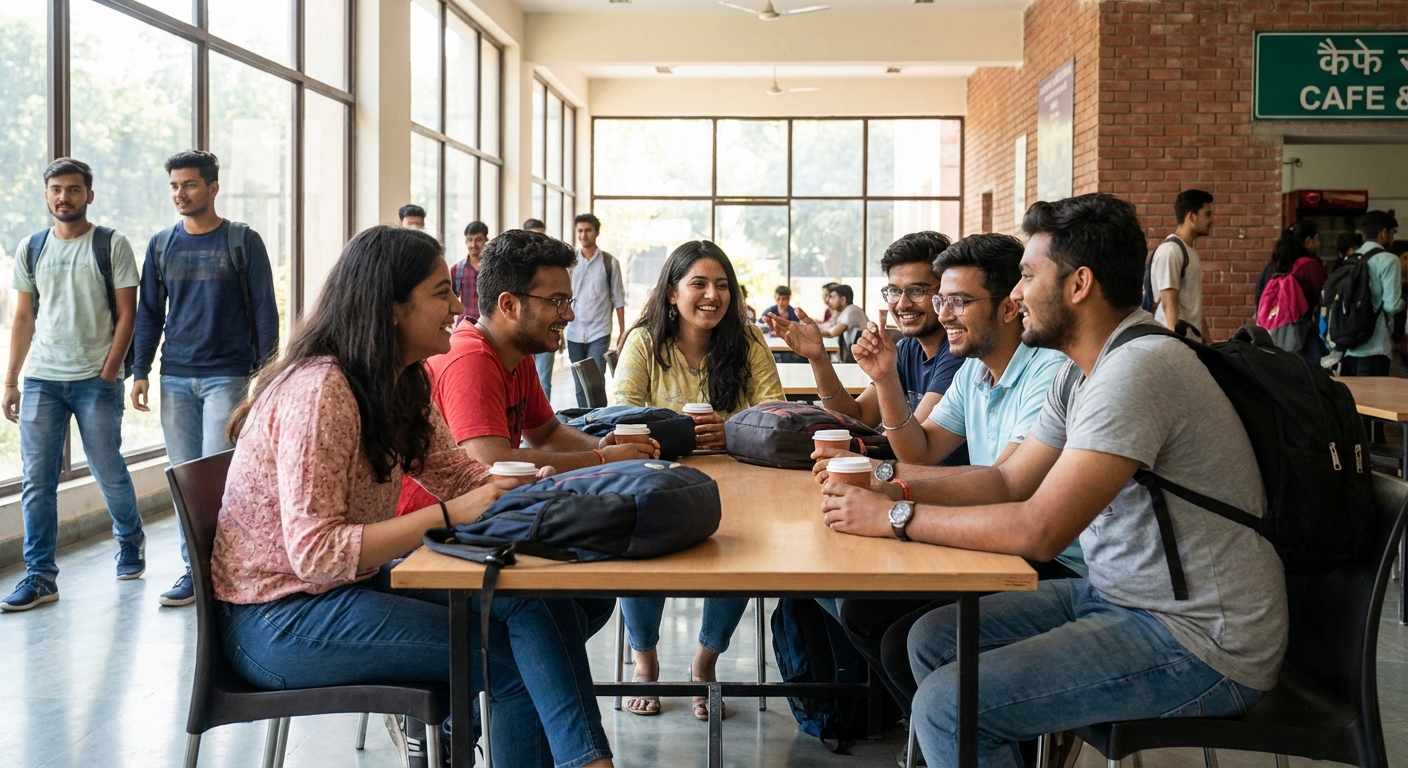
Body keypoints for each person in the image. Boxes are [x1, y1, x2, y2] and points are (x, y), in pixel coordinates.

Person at [820, 194, 1287, 767]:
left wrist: (894, 517)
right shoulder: (1081, 369)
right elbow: (1008, 481)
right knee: (929, 638)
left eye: (1026, 276)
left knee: (948, 705)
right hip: (1116, 596)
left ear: (1079, 284)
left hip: (1198, 638)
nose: (1016, 295)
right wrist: (891, 485)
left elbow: (1039, 530)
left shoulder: (1136, 372)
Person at [210, 225, 613, 767]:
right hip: (279, 619)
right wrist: (453, 513)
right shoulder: (323, 391)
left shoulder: (401, 379)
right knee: (512, 659)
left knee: (539, 604)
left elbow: (462, 476)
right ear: (392, 307)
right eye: (440, 292)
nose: (457, 304)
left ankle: (586, 759)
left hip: (343, 588)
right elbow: (316, 555)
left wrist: (553, 495)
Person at [809, 233, 1071, 722]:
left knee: (900, 640)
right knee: (863, 615)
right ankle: (939, 730)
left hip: (1050, 558)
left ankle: (962, 731)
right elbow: (923, 451)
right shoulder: (974, 369)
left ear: (1010, 306)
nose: (944, 312)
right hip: (994, 538)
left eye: (959, 301)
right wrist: (886, 380)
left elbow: (1007, 483)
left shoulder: (1050, 372)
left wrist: (886, 488)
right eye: (942, 299)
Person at [612, 240, 784, 720]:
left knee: (745, 550)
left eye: (722, 285)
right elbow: (621, 415)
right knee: (637, 542)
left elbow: (774, 411)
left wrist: (730, 429)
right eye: (699, 284)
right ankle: (645, 664)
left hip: (739, 480)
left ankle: (704, 664)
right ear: (671, 293)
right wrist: (680, 431)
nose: (713, 295)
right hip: (656, 478)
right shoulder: (644, 341)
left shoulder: (747, 341)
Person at [396, 228, 661, 518]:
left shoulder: (516, 353)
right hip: (431, 536)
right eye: (557, 301)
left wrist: (605, 447)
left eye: (568, 302)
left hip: (487, 513)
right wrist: (600, 459)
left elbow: (547, 434)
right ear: (509, 305)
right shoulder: (470, 358)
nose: (569, 315)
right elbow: (490, 461)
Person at [130, 149, 281, 608]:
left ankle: (225, 567)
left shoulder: (242, 241)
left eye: (190, 185)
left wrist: (266, 376)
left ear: (213, 188)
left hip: (228, 375)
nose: (181, 193)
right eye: (175, 186)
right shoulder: (161, 245)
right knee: (184, 480)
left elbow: (264, 310)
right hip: (175, 376)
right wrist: (140, 371)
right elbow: (149, 313)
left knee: (218, 479)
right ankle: (193, 571)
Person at [1, 158, 143, 612]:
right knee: (37, 481)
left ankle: (130, 541)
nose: (64, 197)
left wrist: (108, 371)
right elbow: (23, 317)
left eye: (74, 190)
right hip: (43, 377)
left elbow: (128, 314)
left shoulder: (111, 244)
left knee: (107, 468)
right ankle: (40, 576)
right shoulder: (32, 247)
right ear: (47, 195)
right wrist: (11, 380)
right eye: (56, 190)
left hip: (95, 379)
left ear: (89, 195)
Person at [767, 232, 965, 430]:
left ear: (945, 292)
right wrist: (818, 358)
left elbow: (917, 443)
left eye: (917, 290)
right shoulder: (906, 349)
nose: (902, 304)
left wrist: (885, 378)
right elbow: (856, 417)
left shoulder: (957, 354)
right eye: (895, 291)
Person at [566, 213, 625, 407]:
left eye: (588, 230)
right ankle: (585, 423)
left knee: (596, 380)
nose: (584, 235)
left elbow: (618, 300)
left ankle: (599, 421)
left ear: (597, 232)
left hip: (599, 331)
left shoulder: (610, 263)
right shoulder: (569, 263)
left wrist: (622, 333)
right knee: (579, 382)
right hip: (574, 331)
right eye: (580, 231)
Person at [1253, 220, 1326, 364]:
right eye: (1317, 239)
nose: (1319, 243)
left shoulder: (1273, 266)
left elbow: (1259, 296)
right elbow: (1323, 297)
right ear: (1308, 241)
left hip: (1273, 332)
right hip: (1304, 335)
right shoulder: (1310, 266)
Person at [1340, 210, 1402, 376]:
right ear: (1383, 232)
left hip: (1348, 344)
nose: (1393, 238)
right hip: (1375, 346)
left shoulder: (1352, 258)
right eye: (1392, 233)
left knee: (1353, 400)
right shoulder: (1389, 260)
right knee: (1373, 401)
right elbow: (1392, 305)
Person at [1149, 188, 1213, 339]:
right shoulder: (1171, 251)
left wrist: (1209, 344)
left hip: (1190, 343)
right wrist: (1176, 345)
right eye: (1207, 214)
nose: (1212, 220)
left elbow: (1194, 307)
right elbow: (1168, 304)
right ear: (1191, 217)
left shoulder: (1189, 250)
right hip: (1174, 344)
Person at [450, 221, 488, 326]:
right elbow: (449, 298)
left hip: (488, 325)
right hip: (465, 324)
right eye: (470, 240)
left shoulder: (493, 268)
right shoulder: (457, 269)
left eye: (478, 240)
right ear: (465, 241)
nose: (473, 245)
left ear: (486, 240)